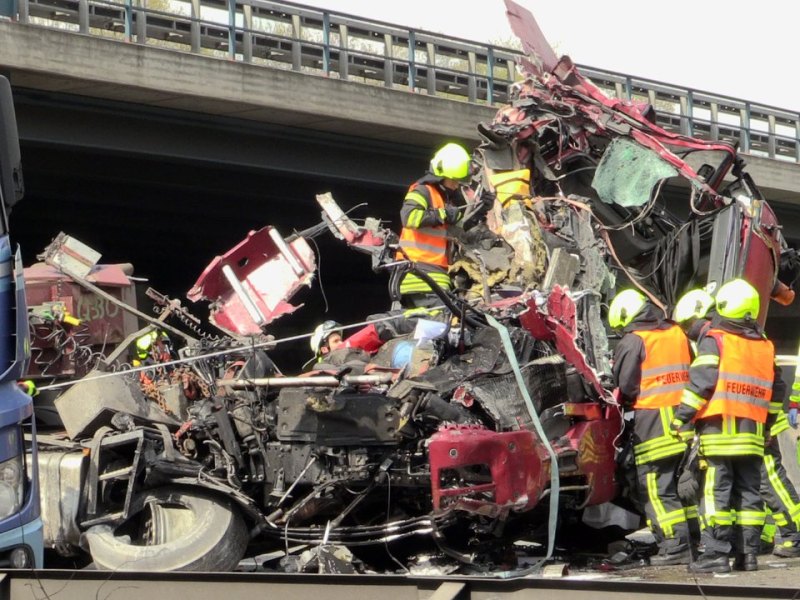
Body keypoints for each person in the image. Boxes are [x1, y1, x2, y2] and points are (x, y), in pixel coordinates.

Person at [670, 278, 786, 573]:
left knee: (716, 494)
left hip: (720, 432)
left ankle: (715, 555)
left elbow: (701, 384)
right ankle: (747, 557)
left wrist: (681, 418)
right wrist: (768, 423)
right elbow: (777, 390)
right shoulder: (764, 345)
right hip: (752, 435)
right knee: (749, 494)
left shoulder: (716, 339)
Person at [609, 288, 695, 566]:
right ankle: (692, 539)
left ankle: (675, 546)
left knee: (657, 489)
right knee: (682, 486)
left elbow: (626, 386)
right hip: (683, 423)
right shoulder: (677, 332)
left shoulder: (634, 341)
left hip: (654, 425)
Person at [393, 142, 472, 309]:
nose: (457, 185)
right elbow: (409, 217)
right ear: (441, 175)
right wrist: (442, 214)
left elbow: (460, 230)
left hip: (432, 274)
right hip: (421, 274)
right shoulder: (423, 191)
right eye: (454, 180)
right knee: (440, 321)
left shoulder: (445, 198)